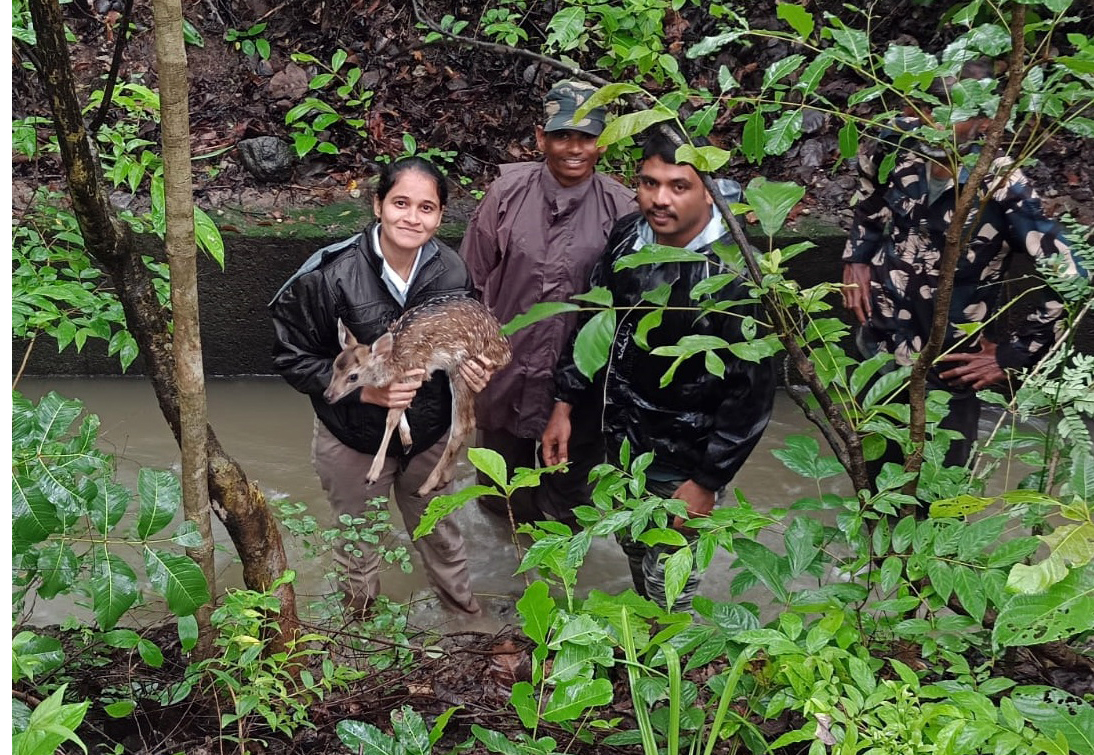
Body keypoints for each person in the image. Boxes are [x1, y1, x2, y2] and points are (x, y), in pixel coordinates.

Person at [542, 129, 776, 610]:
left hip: (686, 458)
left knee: (671, 585)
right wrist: (564, 404)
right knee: (633, 546)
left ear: (709, 191)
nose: (659, 199)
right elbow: (595, 321)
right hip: (623, 440)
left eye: (678, 186)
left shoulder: (736, 277)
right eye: (650, 183)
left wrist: (707, 482)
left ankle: (668, 651)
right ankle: (644, 637)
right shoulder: (629, 235)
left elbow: (750, 396)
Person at [269, 157, 494, 618]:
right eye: (400, 203)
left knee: (441, 534)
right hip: (353, 436)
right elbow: (290, 357)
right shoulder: (328, 275)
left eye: (426, 208)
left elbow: (467, 340)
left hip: (428, 434)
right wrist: (365, 393)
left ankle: (465, 621)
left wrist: (476, 369)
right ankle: (359, 631)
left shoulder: (452, 272)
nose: (412, 218)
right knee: (357, 541)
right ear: (378, 205)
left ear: (440, 216)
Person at [841, 62, 1083, 468]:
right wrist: (858, 256)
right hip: (878, 348)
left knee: (940, 489)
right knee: (868, 478)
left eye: (955, 113)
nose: (934, 124)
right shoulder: (893, 143)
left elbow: (1073, 277)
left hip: (948, 371)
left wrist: (1012, 354)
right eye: (928, 109)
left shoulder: (1002, 187)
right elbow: (868, 191)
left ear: (985, 121)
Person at [461, 79, 637, 526]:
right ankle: (506, 564)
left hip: (581, 392)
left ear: (603, 143)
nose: (574, 148)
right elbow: (468, 283)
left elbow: (626, 315)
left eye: (586, 137)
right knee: (501, 498)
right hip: (504, 378)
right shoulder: (506, 195)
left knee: (570, 506)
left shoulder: (623, 210)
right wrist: (468, 364)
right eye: (562, 136)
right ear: (542, 138)